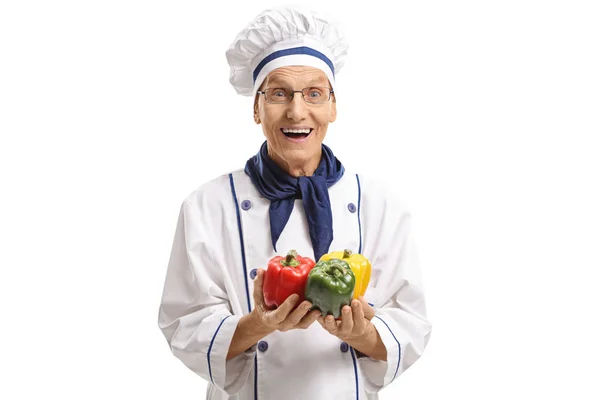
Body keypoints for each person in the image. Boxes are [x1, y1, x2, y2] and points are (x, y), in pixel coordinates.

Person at [158, 5, 431, 400]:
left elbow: (411, 327)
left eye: (314, 94)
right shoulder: (206, 206)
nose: (297, 111)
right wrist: (259, 324)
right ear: (256, 108)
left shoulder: (382, 205)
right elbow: (184, 326)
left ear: (333, 107)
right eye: (279, 93)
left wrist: (361, 333)